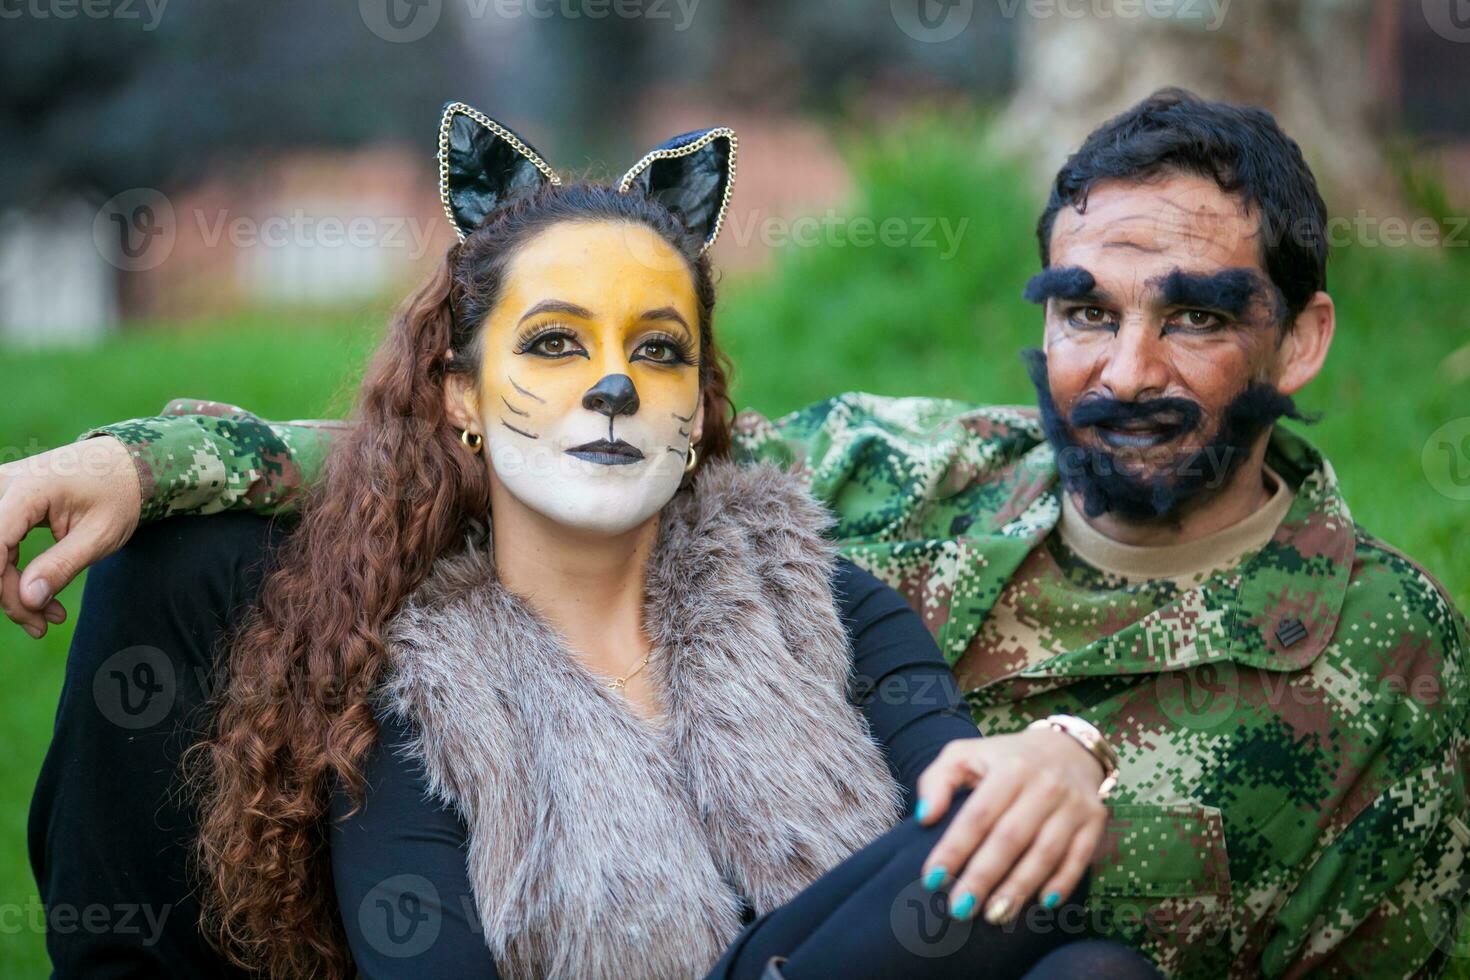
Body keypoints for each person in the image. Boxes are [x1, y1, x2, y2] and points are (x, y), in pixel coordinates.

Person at [8, 89, 1468, 976]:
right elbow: (574, 447)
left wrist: (1069, 765)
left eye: (1197, 318)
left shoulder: (1385, 656)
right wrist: (149, 456)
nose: (1127, 370)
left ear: (1298, 341)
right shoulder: (912, 467)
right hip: (610, 897)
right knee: (192, 551)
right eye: (1086, 310)